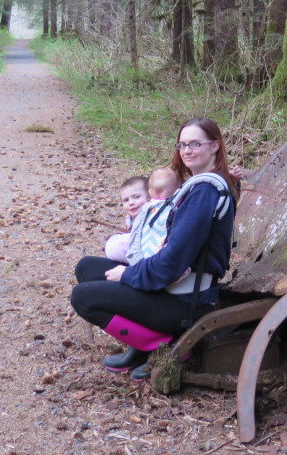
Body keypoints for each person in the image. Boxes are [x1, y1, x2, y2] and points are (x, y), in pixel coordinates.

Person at [70, 117, 237, 379]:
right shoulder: (198, 186)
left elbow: (173, 263)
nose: (187, 151)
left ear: (215, 146)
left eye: (195, 143)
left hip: (185, 301)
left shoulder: (205, 191)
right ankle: (141, 343)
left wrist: (128, 275)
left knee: (84, 297)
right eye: (182, 145)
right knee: (87, 268)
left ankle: (166, 345)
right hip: (174, 287)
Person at [103, 176, 150, 263]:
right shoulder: (129, 219)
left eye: (136, 197)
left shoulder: (152, 214)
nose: (131, 203)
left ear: (149, 196)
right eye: (126, 200)